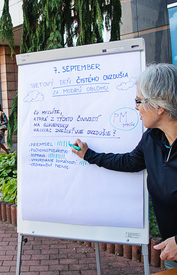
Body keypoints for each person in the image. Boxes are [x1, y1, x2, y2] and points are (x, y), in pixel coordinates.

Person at [72, 63, 177, 270]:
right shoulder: (153, 139)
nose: (136, 107)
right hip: (170, 252)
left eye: (139, 101)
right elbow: (130, 162)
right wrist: (89, 155)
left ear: (160, 106)